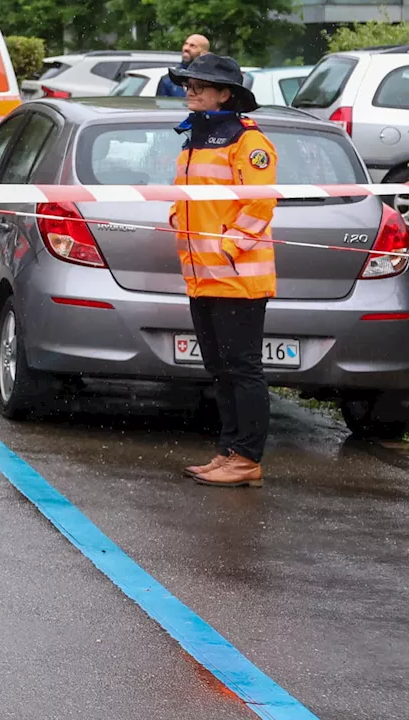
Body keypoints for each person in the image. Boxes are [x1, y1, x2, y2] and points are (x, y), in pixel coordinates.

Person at [167, 53, 278, 488]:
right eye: (188, 84)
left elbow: (259, 203)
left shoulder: (247, 141)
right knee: (219, 367)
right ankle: (229, 451)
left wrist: (229, 248)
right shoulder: (195, 138)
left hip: (238, 277)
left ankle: (248, 457)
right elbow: (189, 200)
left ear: (224, 94)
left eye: (200, 85)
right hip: (201, 276)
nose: (189, 91)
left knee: (242, 367)